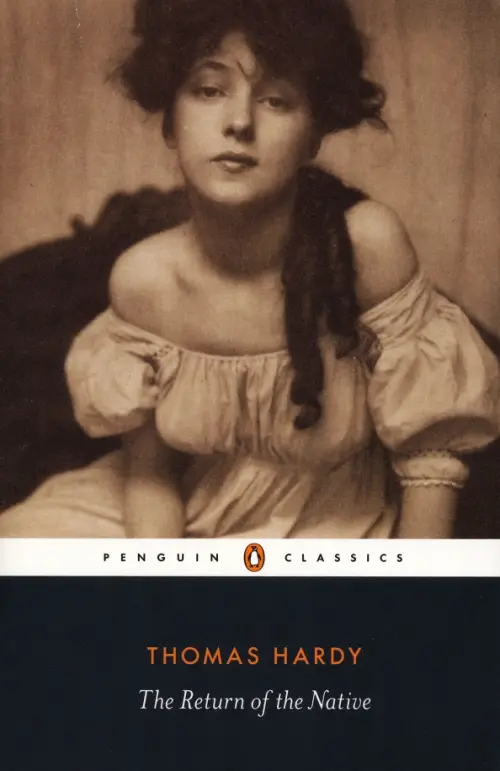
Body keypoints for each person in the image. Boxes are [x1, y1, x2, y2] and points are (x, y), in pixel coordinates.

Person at [1, 0, 499, 539]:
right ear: (171, 124)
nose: (239, 122)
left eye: (276, 100)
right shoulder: (143, 280)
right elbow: (150, 477)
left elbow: (429, 463)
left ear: (313, 136)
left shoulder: (365, 245)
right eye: (208, 91)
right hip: (177, 511)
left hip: (329, 524)